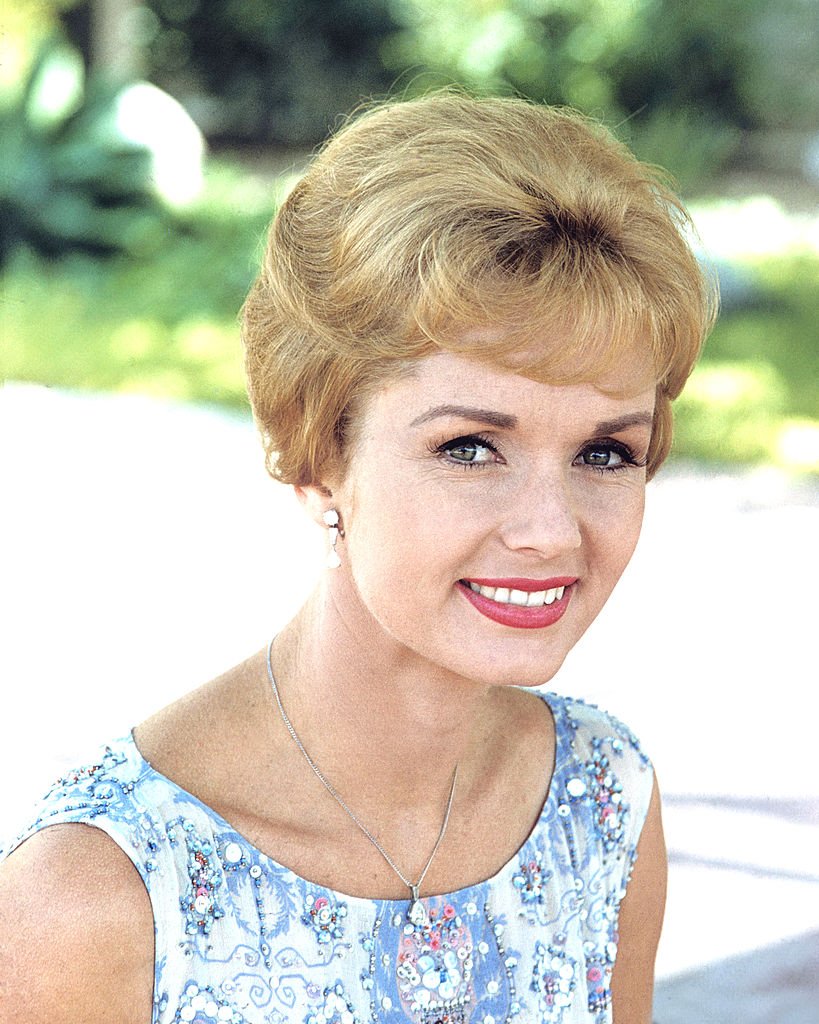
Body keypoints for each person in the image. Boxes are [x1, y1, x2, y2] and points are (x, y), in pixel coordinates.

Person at [0, 92, 714, 1023]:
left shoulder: (603, 798)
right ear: (318, 454)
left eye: (604, 452)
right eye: (469, 447)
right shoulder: (99, 893)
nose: (550, 529)